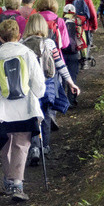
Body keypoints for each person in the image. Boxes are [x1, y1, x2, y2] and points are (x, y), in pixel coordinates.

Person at [0, 19, 45, 202]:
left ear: (0, 38)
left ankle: (10, 180)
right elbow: (39, 87)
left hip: (1, 112)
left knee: (5, 144)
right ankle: (16, 182)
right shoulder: (28, 54)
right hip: (25, 109)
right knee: (21, 145)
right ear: (19, 36)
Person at [20, 14, 80, 164]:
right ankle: (44, 146)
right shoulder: (49, 44)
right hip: (47, 85)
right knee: (45, 114)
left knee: (32, 115)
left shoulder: (21, 44)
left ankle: (34, 147)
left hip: (28, 87)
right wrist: (71, 83)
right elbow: (60, 64)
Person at [65, 0, 98, 66]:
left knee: (74, 42)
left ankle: (75, 60)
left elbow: (66, 12)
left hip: (72, 25)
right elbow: (93, 14)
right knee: (86, 43)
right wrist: (94, 26)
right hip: (85, 26)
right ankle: (84, 61)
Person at [61, 5, 84, 107]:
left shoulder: (60, 21)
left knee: (61, 77)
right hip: (74, 53)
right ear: (74, 12)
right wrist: (84, 55)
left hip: (62, 53)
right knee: (72, 76)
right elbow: (82, 38)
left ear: (64, 12)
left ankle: (61, 101)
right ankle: (71, 100)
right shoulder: (77, 22)